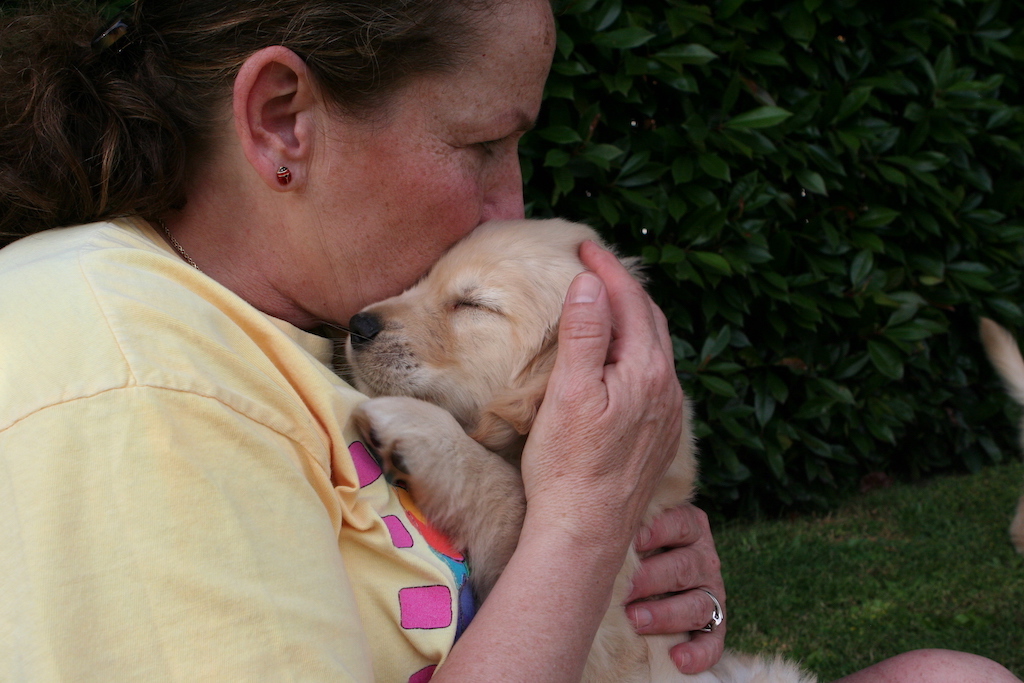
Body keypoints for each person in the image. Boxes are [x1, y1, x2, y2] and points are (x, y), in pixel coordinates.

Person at [0, 2, 1017, 683]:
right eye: (482, 145)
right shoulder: (128, 379)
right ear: (281, 120)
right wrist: (580, 528)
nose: (510, 199)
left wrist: (638, 579)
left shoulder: (293, 321)